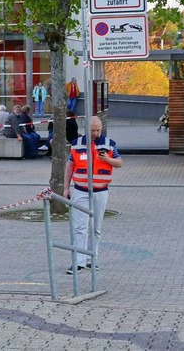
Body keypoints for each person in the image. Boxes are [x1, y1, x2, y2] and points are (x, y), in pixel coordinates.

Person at [63, 116, 123, 274]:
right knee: (80, 227)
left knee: (96, 228)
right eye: (92, 130)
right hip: (80, 189)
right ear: (86, 129)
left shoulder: (109, 144)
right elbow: (69, 166)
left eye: (98, 130)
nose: (95, 133)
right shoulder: (76, 144)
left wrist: (108, 159)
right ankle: (78, 262)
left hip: (101, 190)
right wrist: (66, 188)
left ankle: (91, 259)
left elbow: (120, 163)